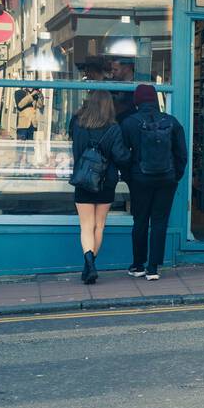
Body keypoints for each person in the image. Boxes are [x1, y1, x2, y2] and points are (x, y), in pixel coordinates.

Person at [120, 83, 187, 280]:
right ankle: (153, 268)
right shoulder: (172, 122)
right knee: (160, 221)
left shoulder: (129, 123)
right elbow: (181, 154)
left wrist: (129, 177)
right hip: (167, 179)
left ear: (137, 101)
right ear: (156, 99)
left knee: (140, 221)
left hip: (140, 179)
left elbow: (123, 155)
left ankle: (138, 265)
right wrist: (175, 176)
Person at [69, 90, 129, 284]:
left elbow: (76, 151)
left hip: (83, 179)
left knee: (86, 226)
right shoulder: (114, 128)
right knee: (99, 225)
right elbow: (121, 157)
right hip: (106, 182)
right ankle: (91, 265)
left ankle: (89, 265)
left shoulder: (78, 125)